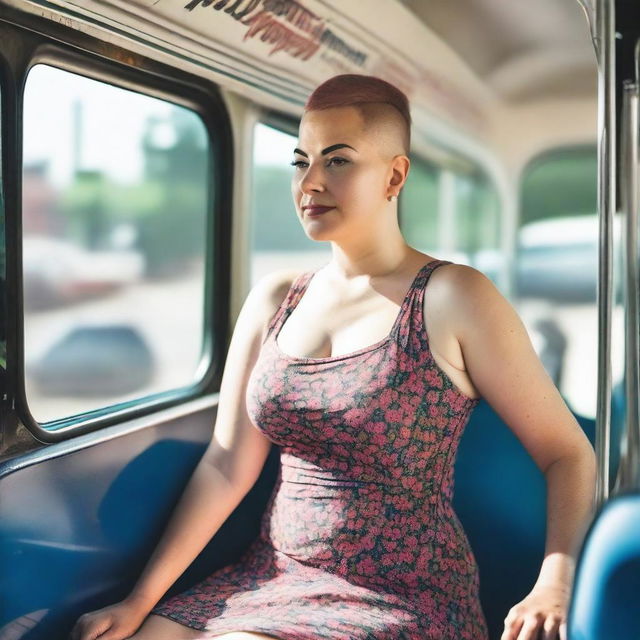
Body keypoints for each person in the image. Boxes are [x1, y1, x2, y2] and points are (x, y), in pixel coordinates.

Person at [70, 74, 597, 640]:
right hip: (270, 577)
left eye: (338, 161)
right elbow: (225, 467)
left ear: (394, 175)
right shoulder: (275, 298)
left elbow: (567, 453)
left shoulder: (454, 297)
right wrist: (139, 600)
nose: (310, 182)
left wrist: (556, 582)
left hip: (400, 595)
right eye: (301, 161)